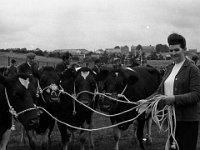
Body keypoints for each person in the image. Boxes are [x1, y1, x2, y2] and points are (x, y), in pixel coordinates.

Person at [139, 33, 200, 150]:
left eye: (176, 50)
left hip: (187, 120)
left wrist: (174, 99)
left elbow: (196, 95)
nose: (173, 53)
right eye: (171, 50)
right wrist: (146, 101)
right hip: (171, 118)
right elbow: (160, 91)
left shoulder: (193, 69)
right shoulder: (169, 68)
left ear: (184, 50)